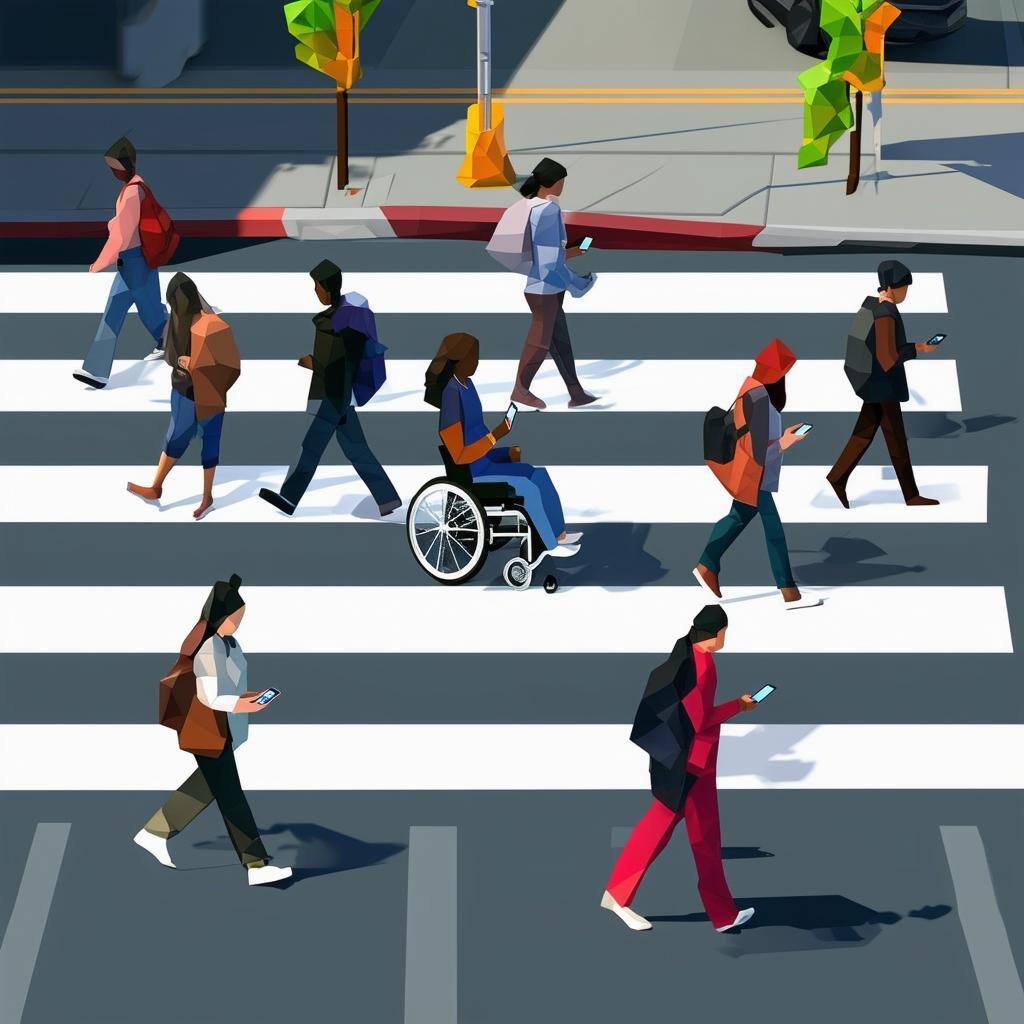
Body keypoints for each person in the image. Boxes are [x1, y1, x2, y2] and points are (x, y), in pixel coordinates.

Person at [602, 605, 757, 933]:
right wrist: (738, 706)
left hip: (697, 763)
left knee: (706, 840)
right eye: (725, 632)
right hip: (689, 766)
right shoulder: (701, 666)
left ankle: (723, 915)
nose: (726, 638)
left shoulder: (691, 655)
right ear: (714, 635)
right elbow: (700, 720)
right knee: (659, 832)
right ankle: (617, 895)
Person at [134, 574, 292, 887]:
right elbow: (211, 697)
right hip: (207, 732)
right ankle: (256, 865)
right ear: (222, 616)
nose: (239, 623)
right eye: (236, 618)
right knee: (231, 798)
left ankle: (154, 832)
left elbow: (229, 687)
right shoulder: (208, 650)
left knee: (205, 787)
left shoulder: (227, 643)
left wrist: (249, 698)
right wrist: (245, 705)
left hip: (219, 729)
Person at [258, 259, 401, 518]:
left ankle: (288, 499)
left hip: (330, 396)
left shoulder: (335, 325)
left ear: (326, 287)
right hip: (343, 396)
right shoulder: (350, 319)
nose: (315, 291)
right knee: (357, 450)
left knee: (310, 449)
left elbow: (336, 363)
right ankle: (388, 498)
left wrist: (312, 362)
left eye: (316, 286)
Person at [426, 332, 582, 556]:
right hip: (472, 473)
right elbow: (459, 455)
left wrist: (501, 450)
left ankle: (558, 533)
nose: (477, 362)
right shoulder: (451, 395)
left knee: (538, 474)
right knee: (527, 488)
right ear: (459, 360)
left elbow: (476, 435)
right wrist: (496, 435)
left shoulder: (467, 385)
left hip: (485, 461)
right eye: (473, 358)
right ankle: (548, 544)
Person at [693, 338, 820, 610]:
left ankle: (707, 564)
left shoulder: (752, 387)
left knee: (737, 517)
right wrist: (784, 442)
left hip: (752, 474)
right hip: (756, 475)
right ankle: (789, 591)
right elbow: (756, 450)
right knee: (774, 530)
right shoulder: (759, 397)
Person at [827, 260, 940, 508]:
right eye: (903, 288)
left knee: (865, 433)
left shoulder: (872, 304)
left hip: (873, 381)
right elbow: (888, 358)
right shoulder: (886, 313)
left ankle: (837, 477)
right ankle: (910, 495)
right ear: (890, 288)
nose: (905, 293)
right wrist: (918, 348)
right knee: (894, 438)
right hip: (883, 384)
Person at [127, 273, 240, 521]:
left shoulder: (208, 325)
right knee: (178, 439)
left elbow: (228, 364)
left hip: (200, 393)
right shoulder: (186, 324)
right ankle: (159, 486)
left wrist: (195, 365)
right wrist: (186, 364)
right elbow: (172, 357)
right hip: (193, 394)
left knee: (201, 441)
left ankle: (204, 496)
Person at [74, 136, 168, 390]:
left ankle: (96, 371)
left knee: (116, 312)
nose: (112, 171)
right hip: (141, 259)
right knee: (149, 311)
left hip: (134, 261)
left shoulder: (131, 193)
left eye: (113, 166)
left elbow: (122, 237)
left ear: (123, 165)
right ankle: (171, 341)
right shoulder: (139, 185)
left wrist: (99, 262)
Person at [511, 158, 598, 411]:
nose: (563, 187)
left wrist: (573, 251)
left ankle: (576, 392)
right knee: (539, 343)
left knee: (559, 341)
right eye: (562, 182)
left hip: (544, 286)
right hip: (544, 289)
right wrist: (577, 284)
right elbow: (549, 264)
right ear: (554, 183)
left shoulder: (533, 206)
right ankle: (521, 389)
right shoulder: (547, 211)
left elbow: (548, 254)